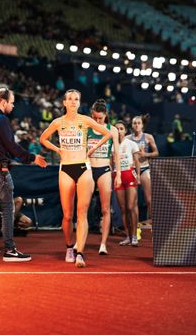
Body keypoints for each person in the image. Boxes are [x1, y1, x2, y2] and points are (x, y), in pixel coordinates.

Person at [39, 89, 115, 268]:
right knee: (67, 215)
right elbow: (43, 138)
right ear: (64, 103)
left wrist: (91, 150)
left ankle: (80, 252)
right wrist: (57, 150)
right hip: (65, 168)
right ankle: (69, 247)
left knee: (82, 213)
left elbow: (108, 134)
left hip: (83, 167)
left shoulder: (86, 120)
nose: (73, 102)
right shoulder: (58, 122)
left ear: (80, 103)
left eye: (76, 99)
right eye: (70, 99)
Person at [0, 87, 47, 262]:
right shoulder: (1, 120)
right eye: (11, 102)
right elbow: (12, 147)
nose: (12, 106)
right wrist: (32, 157)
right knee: (7, 209)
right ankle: (10, 249)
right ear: (3, 102)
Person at [87, 99, 121, 255]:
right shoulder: (87, 128)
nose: (97, 121)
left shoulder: (112, 130)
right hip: (88, 169)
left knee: (105, 208)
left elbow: (117, 155)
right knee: (83, 208)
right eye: (95, 118)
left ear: (106, 115)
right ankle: (81, 241)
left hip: (104, 169)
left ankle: (103, 244)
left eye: (100, 118)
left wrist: (118, 174)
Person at [114, 120, 141, 246]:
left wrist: (139, 176)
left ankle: (135, 235)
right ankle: (128, 236)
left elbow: (137, 161)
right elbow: (110, 162)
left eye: (121, 128)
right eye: (117, 128)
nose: (119, 131)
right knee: (123, 209)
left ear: (125, 131)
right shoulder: (112, 145)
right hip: (118, 176)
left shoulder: (131, 143)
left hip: (130, 175)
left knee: (131, 207)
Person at [128, 114, 158, 224]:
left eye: (138, 123)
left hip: (145, 168)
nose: (136, 125)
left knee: (149, 199)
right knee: (133, 201)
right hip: (132, 170)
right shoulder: (127, 138)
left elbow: (156, 153)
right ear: (131, 125)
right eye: (134, 123)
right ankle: (134, 224)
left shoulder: (148, 137)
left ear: (142, 125)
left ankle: (153, 222)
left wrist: (145, 153)